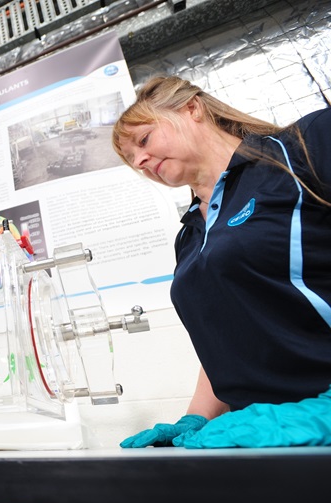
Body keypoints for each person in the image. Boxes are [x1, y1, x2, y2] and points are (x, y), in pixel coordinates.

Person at [112, 76, 331, 449]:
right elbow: (226, 339)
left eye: (144, 141)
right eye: (133, 160)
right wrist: (197, 418)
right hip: (264, 440)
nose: (141, 161)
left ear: (192, 109)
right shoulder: (189, 237)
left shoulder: (305, 148)